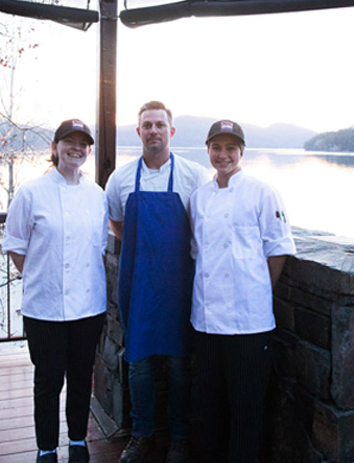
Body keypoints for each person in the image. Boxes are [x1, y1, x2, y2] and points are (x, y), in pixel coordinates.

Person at [105, 101, 208, 463]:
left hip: (178, 287)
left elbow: (204, 226)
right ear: (139, 132)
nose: (153, 131)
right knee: (139, 365)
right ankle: (141, 435)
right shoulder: (120, 179)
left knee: (180, 367)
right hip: (137, 286)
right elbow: (117, 225)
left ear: (171, 131)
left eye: (159, 125)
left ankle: (179, 437)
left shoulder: (194, 175)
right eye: (147, 125)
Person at [189, 120, 296, 463]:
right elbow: (197, 252)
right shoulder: (199, 198)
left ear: (242, 152)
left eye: (230, 149)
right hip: (206, 322)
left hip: (249, 324)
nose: (223, 155)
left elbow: (277, 249)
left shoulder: (262, 192)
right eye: (216, 148)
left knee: (248, 411)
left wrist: (257, 291)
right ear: (207, 150)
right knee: (211, 407)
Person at [3, 119, 109, 463]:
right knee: (47, 382)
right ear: (55, 147)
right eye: (69, 142)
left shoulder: (97, 196)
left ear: (88, 150)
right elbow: (17, 246)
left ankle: (78, 440)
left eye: (83, 143)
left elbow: (100, 247)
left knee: (81, 379)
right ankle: (46, 447)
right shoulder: (31, 193)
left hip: (87, 307)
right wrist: (42, 277)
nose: (76, 148)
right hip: (44, 308)